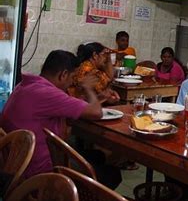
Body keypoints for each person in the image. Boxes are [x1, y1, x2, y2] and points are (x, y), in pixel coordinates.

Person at [0, 50, 121, 189]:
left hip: (17, 164)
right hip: (36, 172)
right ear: (63, 74)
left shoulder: (26, 85)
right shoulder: (48, 93)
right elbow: (96, 113)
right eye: (72, 77)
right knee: (112, 174)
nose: (71, 83)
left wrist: (101, 98)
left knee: (97, 155)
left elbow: (73, 106)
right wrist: (88, 89)